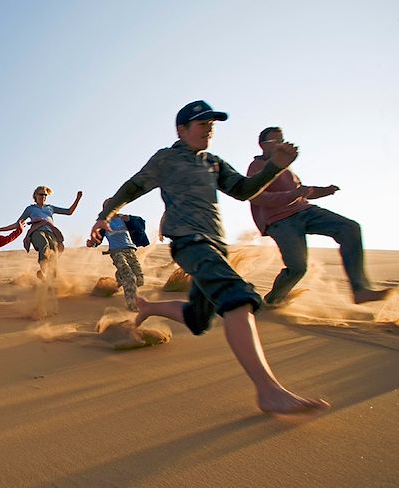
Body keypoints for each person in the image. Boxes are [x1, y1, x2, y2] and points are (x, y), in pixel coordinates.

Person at [90, 100, 329, 414]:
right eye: (202, 125)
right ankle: (268, 391)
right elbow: (132, 187)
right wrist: (104, 215)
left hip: (215, 244)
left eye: (212, 125)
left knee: (200, 318)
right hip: (190, 242)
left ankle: (149, 307)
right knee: (238, 298)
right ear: (182, 129)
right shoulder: (166, 159)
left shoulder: (213, 162)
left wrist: (275, 167)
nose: (209, 130)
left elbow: (242, 190)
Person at [248, 127, 390, 306]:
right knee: (298, 268)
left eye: (282, 140)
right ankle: (273, 301)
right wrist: (294, 194)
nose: (281, 145)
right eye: (275, 142)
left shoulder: (286, 166)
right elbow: (259, 196)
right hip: (279, 221)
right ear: (262, 145)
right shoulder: (257, 167)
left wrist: (324, 191)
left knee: (350, 228)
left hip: (305, 211)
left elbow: (300, 191)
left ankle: (360, 290)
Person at [0, 186, 82, 280]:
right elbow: (17, 223)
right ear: (35, 195)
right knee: (44, 244)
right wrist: (0, 229)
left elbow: (69, 212)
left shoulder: (50, 208)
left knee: (54, 252)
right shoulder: (30, 209)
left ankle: (50, 281)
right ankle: (43, 271)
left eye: (45, 195)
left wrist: (77, 199)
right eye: (41, 194)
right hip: (37, 231)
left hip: (51, 233)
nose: (43, 196)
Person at [86, 199, 147, 310]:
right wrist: (91, 243)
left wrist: (130, 219)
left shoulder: (124, 218)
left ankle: (118, 279)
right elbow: (98, 239)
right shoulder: (104, 223)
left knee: (139, 280)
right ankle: (133, 306)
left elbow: (141, 224)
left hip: (130, 250)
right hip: (116, 252)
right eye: (107, 207)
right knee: (129, 278)